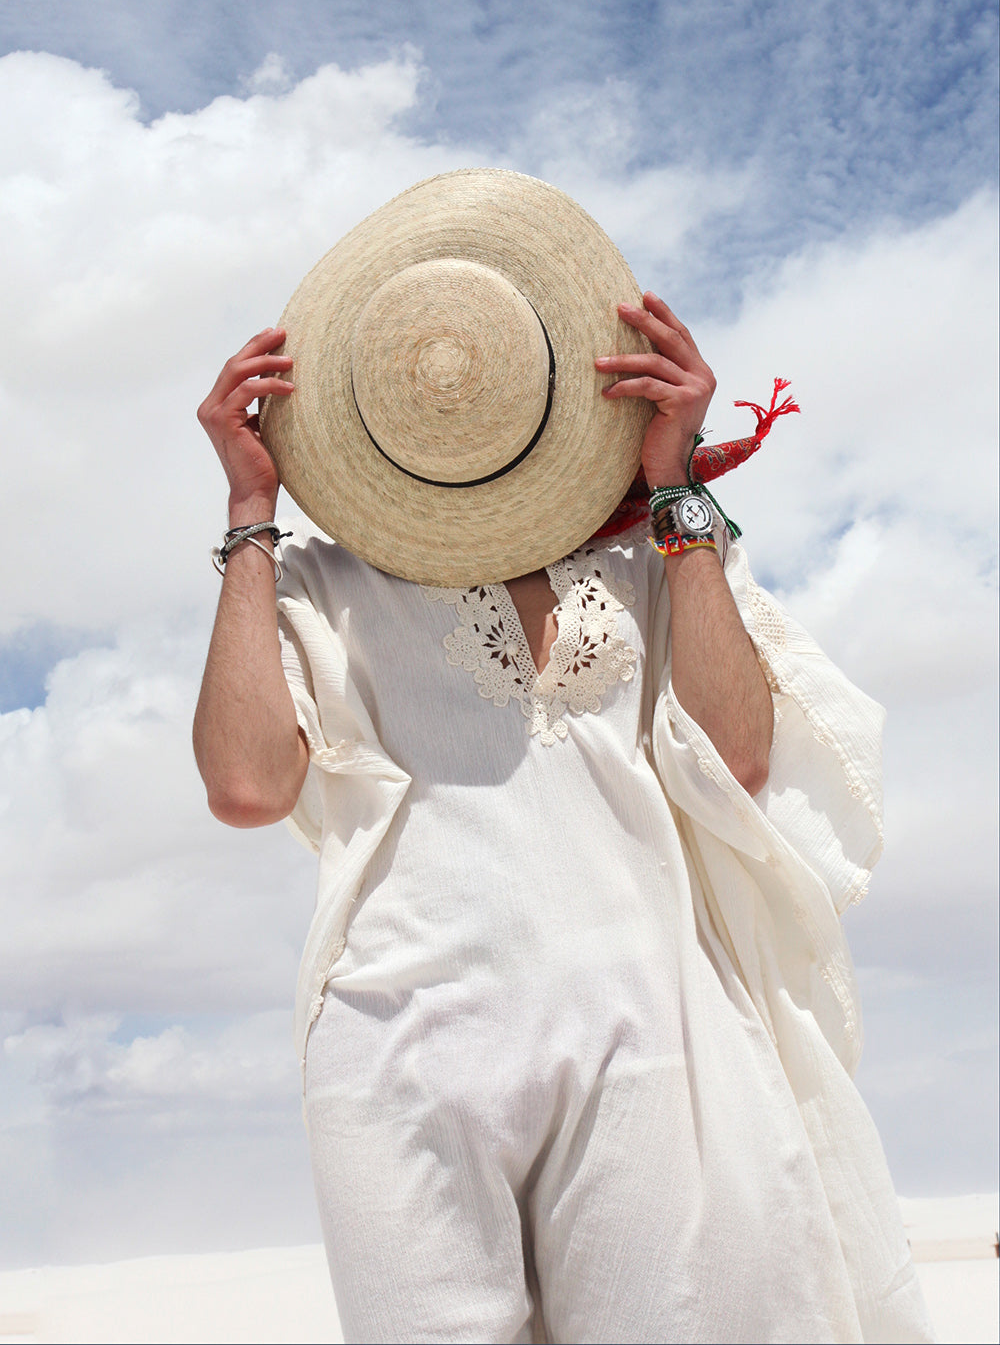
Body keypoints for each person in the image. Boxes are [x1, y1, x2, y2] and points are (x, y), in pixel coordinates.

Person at [193, 174, 933, 1344]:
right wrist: (250, 509)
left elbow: (737, 756)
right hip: (397, 1048)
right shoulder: (313, 587)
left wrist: (677, 487)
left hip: (649, 1031)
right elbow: (246, 787)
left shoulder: (655, 564)